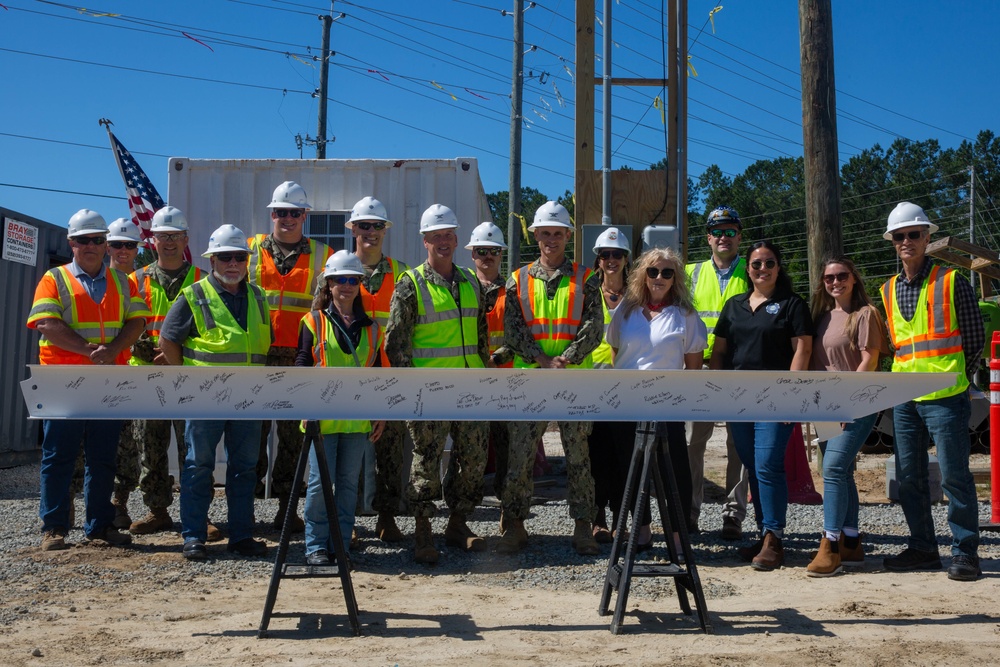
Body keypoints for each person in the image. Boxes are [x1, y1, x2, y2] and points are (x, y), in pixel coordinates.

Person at [26, 209, 149, 551]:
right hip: (64, 381)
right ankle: (54, 527)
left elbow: (137, 322)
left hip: (108, 381)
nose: (91, 246)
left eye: (98, 240)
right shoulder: (54, 278)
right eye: (84, 240)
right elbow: (45, 323)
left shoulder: (124, 282)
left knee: (102, 457)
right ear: (72, 243)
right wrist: (89, 349)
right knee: (58, 455)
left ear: (105, 244)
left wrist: (111, 352)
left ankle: (99, 526)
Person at [879, 202, 984, 581]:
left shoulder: (952, 280)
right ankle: (923, 547)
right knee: (910, 477)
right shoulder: (887, 290)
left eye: (914, 234)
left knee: (955, 475)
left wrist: (954, 379)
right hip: (906, 398)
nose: (906, 241)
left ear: (927, 237)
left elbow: (974, 340)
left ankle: (965, 552)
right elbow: (897, 346)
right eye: (900, 236)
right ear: (892, 241)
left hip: (944, 396)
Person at [384, 203, 490, 564]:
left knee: (473, 459)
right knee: (426, 461)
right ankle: (423, 531)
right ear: (425, 241)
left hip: (470, 387)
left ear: (456, 239)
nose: (444, 241)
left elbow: (480, 336)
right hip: (428, 392)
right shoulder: (410, 284)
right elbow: (394, 343)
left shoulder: (470, 280)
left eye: (449, 235)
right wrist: (413, 388)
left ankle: (458, 524)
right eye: (436, 236)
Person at [160, 224, 272, 561]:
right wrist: (190, 380)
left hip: (249, 400)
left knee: (244, 469)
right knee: (198, 467)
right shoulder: (193, 295)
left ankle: (240, 535)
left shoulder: (258, 296)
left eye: (240, 257)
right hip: (205, 399)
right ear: (213, 260)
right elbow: (168, 341)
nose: (233, 263)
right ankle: (193, 536)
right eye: (226, 257)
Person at [498, 200, 603, 556]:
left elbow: (594, 327)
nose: (552, 239)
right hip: (531, 380)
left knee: (579, 456)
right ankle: (514, 524)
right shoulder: (517, 280)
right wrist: (542, 360)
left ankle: (583, 525)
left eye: (558, 233)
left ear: (568, 236)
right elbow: (512, 330)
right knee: (521, 455)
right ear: (536, 236)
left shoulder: (586, 277)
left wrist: (566, 359)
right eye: (545, 233)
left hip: (574, 380)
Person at [710, 240, 813, 571]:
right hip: (738, 400)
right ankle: (762, 533)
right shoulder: (734, 305)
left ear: (778, 267)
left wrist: (790, 394)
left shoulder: (792, 305)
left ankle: (774, 538)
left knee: (769, 464)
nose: (762, 269)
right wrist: (716, 389)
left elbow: (803, 351)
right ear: (748, 269)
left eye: (769, 263)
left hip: (776, 398)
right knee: (753, 465)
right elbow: (721, 353)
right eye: (756, 264)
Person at [125, 207, 216, 539]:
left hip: (187, 376)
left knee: (193, 448)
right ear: (153, 240)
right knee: (150, 446)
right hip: (147, 376)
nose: (169, 243)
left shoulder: (203, 281)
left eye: (175, 236)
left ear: (186, 240)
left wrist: (178, 353)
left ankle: (198, 514)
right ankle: (157, 510)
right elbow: (127, 325)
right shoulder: (136, 279)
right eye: (163, 236)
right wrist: (146, 351)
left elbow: (211, 329)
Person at [607, 247, 706, 553]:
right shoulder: (625, 310)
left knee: (673, 466)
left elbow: (693, 365)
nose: (659, 277)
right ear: (642, 275)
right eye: (652, 271)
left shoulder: (686, 316)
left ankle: (677, 534)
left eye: (667, 272)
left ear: (676, 278)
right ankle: (642, 530)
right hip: (628, 403)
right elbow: (615, 353)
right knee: (629, 466)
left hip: (668, 403)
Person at [248, 181, 333, 532]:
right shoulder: (249, 249)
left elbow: (328, 309)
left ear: (305, 215)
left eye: (294, 212)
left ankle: (287, 508)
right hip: (257, 356)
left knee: (292, 437)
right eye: (281, 212)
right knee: (252, 436)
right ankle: (246, 510)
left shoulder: (322, 255)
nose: (287, 218)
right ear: (272, 214)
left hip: (299, 356)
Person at [296, 251, 385, 566]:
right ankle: (315, 545)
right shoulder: (312, 322)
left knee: (348, 486)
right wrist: (304, 406)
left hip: (357, 423)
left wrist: (380, 414)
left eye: (352, 280)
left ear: (360, 284)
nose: (346, 286)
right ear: (328, 284)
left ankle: (341, 542)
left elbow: (377, 376)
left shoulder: (373, 329)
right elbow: (302, 367)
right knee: (320, 485)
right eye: (340, 280)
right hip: (321, 421)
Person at [805, 256, 890, 577]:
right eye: (829, 278)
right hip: (824, 406)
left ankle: (830, 545)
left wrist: (849, 405)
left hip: (856, 404)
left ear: (854, 278)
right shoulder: (822, 317)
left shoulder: (865, 315)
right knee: (841, 473)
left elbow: (869, 361)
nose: (835, 281)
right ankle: (852, 541)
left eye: (842, 275)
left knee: (834, 468)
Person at [685, 205, 751, 540]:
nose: (723, 237)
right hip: (700, 366)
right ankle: (690, 512)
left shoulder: (753, 270)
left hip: (739, 366)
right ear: (708, 238)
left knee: (738, 444)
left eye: (730, 231)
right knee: (692, 443)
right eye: (717, 232)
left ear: (739, 236)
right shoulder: (690, 273)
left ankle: (733, 515)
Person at [348, 196, 409, 543]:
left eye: (378, 226)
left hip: (388, 375)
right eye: (364, 225)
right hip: (350, 375)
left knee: (390, 451)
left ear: (386, 231)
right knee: (350, 448)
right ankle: (350, 519)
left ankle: (387, 516)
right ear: (353, 229)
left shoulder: (401, 273)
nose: (371, 232)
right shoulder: (339, 269)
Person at [586, 227, 634, 545]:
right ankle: (597, 518)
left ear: (626, 259)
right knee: (594, 454)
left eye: (617, 255)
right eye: (606, 255)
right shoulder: (587, 293)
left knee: (622, 456)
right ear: (598, 260)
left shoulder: (638, 295)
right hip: (592, 384)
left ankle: (620, 519)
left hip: (626, 386)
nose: (612, 260)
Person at [464, 222, 514, 501]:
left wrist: (495, 359)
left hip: (505, 381)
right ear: (473, 254)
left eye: (493, 251)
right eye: (481, 250)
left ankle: (506, 506)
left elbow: (519, 335)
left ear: (500, 254)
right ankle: (466, 507)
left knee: (506, 446)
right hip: (471, 379)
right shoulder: (462, 290)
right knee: (470, 446)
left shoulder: (514, 291)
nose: (487, 256)